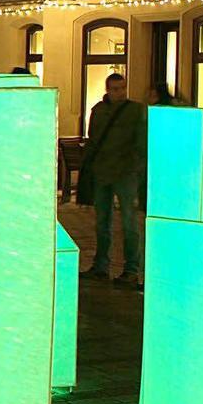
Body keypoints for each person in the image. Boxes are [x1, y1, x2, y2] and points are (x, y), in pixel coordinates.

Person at [79, 72, 147, 286]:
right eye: (115, 89)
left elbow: (141, 142)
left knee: (129, 222)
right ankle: (101, 265)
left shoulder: (135, 111)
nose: (120, 93)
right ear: (108, 90)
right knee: (102, 222)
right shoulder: (98, 111)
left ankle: (131, 268)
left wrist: (135, 167)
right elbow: (93, 139)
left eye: (122, 88)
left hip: (125, 173)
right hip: (103, 172)